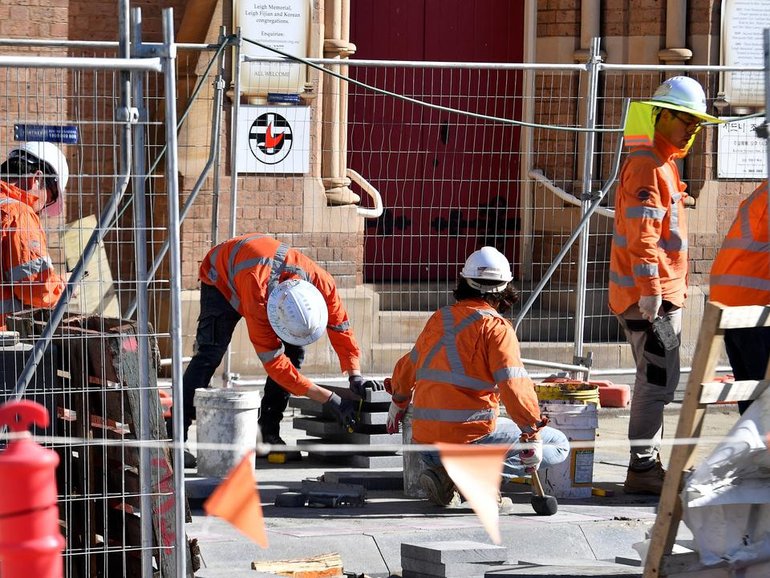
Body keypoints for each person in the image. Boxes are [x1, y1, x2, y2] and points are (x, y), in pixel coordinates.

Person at [385, 246, 570, 507]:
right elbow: (514, 386)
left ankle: (448, 479)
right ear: (505, 289)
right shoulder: (496, 328)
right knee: (559, 444)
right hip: (467, 441)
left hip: (427, 447)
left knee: (498, 426)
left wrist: (398, 401)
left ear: (464, 282)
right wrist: (532, 434)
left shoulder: (440, 319)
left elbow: (409, 364)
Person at [608, 76, 720, 495]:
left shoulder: (662, 163)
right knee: (656, 382)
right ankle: (642, 469)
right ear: (661, 115)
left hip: (658, 297)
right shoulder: (649, 165)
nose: (693, 129)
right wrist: (651, 291)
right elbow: (643, 237)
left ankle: (647, 465)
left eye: (697, 123)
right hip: (649, 300)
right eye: (686, 120)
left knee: (660, 379)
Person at [181, 233, 370, 459]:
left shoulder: (323, 284)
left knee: (294, 352)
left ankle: (267, 433)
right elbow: (275, 364)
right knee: (209, 354)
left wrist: (355, 374)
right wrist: (328, 398)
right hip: (221, 276)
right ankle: (175, 440)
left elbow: (341, 328)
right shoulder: (258, 297)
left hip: (257, 271)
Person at [709, 181, 770, 415]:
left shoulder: (762, 193)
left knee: (751, 397)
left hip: (731, 302)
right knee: (761, 402)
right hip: (754, 306)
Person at [0, 142, 68, 329]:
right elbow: (35, 290)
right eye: (50, 197)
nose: (43, 207)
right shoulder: (19, 213)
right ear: (36, 178)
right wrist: (64, 285)